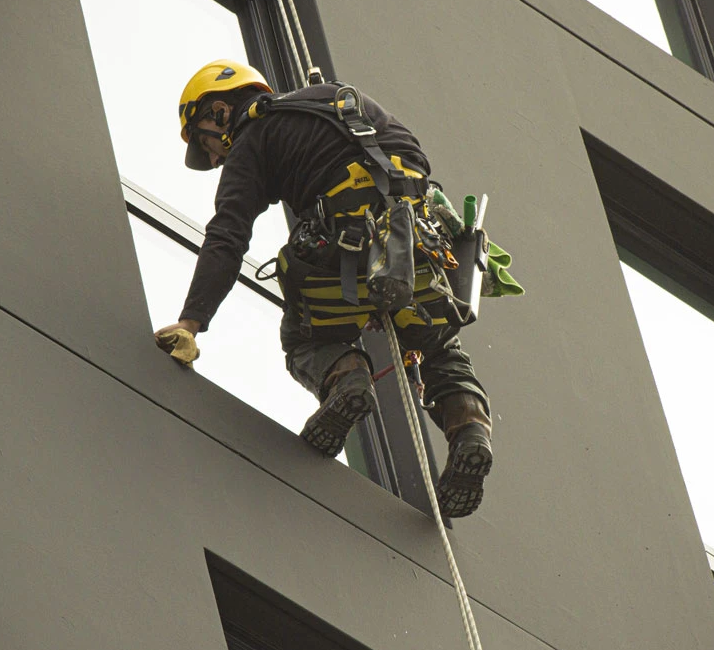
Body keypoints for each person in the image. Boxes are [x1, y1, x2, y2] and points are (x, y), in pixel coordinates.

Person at [154, 59, 493, 517]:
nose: (215, 159)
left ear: (219, 111)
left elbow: (227, 235)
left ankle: (347, 381)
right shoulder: (342, 100)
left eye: (205, 142)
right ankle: (470, 428)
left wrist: (192, 321)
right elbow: (414, 156)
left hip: (344, 251)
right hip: (420, 246)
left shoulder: (254, 134)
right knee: (437, 342)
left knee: (304, 336)